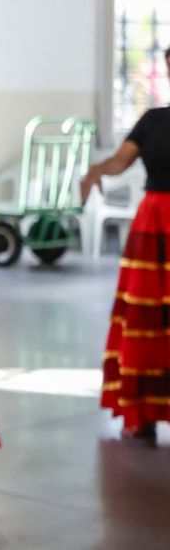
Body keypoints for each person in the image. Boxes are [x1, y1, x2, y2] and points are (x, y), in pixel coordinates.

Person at [83, 67, 170, 442]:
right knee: (147, 315)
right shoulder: (152, 120)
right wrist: (94, 171)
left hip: (155, 218)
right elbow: (120, 161)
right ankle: (144, 410)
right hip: (154, 219)